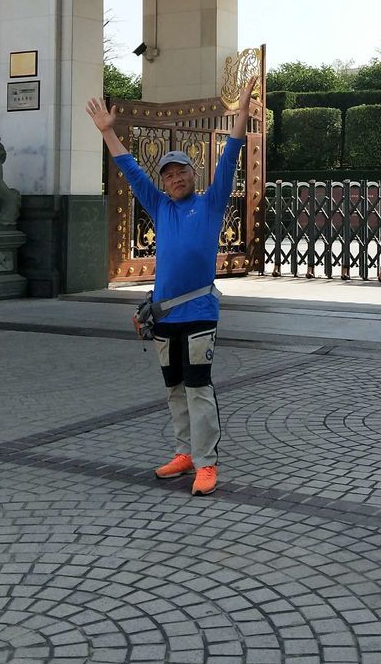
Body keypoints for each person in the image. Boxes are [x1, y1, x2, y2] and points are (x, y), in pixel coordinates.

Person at [86, 76, 258, 496]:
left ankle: (206, 462)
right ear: (162, 183)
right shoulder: (160, 206)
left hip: (199, 312)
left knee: (198, 388)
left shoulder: (211, 202)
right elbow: (130, 170)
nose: (176, 178)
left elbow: (231, 156)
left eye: (181, 171)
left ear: (193, 174)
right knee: (174, 388)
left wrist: (240, 115)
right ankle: (184, 453)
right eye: (169, 174)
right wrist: (108, 132)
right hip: (164, 314)